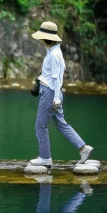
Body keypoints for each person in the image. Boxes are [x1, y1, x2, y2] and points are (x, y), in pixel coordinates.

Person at [29, 21, 93, 166]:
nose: (40, 40)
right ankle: (83, 148)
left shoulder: (54, 55)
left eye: (41, 37)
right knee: (60, 124)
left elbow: (56, 78)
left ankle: (45, 158)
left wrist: (56, 97)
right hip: (51, 92)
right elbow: (51, 75)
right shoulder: (53, 52)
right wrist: (39, 81)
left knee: (40, 125)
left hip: (51, 94)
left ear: (46, 38)